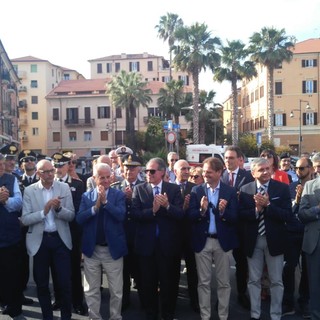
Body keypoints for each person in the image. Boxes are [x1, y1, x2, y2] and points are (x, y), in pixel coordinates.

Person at [238, 157, 292, 320]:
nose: (266, 172)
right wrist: (256, 209)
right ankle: (255, 314)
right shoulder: (246, 189)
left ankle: (275, 314)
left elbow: (287, 215)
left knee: (276, 281)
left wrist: (268, 206)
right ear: (253, 173)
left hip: (274, 241)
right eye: (261, 169)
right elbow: (241, 215)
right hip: (254, 241)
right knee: (254, 280)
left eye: (268, 168)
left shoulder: (281, 189)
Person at [21, 159, 74, 320]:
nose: (51, 174)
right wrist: (44, 212)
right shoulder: (30, 191)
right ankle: (47, 317)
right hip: (40, 242)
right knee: (42, 285)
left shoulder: (63, 187)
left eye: (52, 170)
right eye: (46, 172)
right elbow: (25, 219)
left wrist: (58, 208)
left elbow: (71, 216)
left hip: (60, 240)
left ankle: (66, 316)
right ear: (38, 174)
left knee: (64, 283)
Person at [131, 157, 184, 320]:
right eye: (146, 171)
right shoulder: (139, 189)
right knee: (148, 284)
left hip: (167, 247)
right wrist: (152, 211)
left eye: (152, 171)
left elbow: (181, 215)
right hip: (146, 247)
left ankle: (168, 314)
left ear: (162, 172)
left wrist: (167, 206)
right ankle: (151, 314)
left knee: (168, 284)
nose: (149, 174)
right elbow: (135, 214)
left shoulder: (173, 190)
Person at [189, 157, 239, 320]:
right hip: (202, 242)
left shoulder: (229, 192)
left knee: (224, 283)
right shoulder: (197, 191)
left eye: (209, 172)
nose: (205, 175)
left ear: (219, 172)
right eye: (203, 172)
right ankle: (205, 316)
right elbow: (190, 216)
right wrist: (202, 210)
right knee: (203, 283)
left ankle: (223, 316)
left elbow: (235, 218)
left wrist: (223, 212)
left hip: (222, 242)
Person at [76, 163, 127, 320]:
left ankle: (115, 317)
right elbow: (79, 219)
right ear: (94, 178)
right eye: (101, 177)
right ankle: (94, 317)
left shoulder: (119, 195)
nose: (105, 181)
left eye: (107, 177)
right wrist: (95, 207)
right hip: (92, 250)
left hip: (112, 251)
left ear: (111, 177)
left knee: (116, 290)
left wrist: (105, 203)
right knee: (91, 289)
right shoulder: (86, 196)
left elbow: (121, 216)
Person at [50, 153, 86, 315]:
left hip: (71, 232)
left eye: (61, 165)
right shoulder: (47, 184)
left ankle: (77, 301)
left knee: (73, 269)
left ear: (67, 167)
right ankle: (58, 299)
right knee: (55, 269)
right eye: (55, 165)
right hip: (53, 232)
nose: (58, 169)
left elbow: (78, 210)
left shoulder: (78, 185)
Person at [221, 146, 254, 310]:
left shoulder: (248, 177)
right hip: (225, 226)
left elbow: (250, 200)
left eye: (231, 158)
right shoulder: (222, 176)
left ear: (239, 159)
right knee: (223, 263)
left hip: (242, 226)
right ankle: (221, 296)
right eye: (226, 158)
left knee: (241, 263)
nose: (228, 161)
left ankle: (241, 293)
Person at [112, 154, 144, 310]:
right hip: (122, 234)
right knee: (122, 271)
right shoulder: (116, 187)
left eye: (132, 168)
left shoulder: (145, 186)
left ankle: (145, 301)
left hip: (139, 234)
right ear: (122, 170)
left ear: (138, 170)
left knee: (141, 270)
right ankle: (124, 301)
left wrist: (133, 198)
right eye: (126, 168)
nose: (129, 171)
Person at [282, 157, 312, 318]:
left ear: (311, 169)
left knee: (307, 269)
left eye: (302, 168)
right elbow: (288, 211)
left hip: (309, 233)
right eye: (297, 169)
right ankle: (288, 301)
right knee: (289, 267)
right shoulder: (291, 187)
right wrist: (297, 200)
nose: (298, 172)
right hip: (292, 232)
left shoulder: (316, 187)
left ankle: (304, 301)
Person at [0, 153, 24, 319]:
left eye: (2, 163)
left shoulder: (12, 179)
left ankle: (15, 309)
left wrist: (6, 200)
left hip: (9, 236)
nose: (2, 166)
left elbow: (19, 203)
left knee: (12, 275)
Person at [174, 159, 199, 313]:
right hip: (174, 235)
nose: (186, 171)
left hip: (190, 234)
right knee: (173, 268)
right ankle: (173, 299)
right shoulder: (169, 188)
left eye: (187, 168)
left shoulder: (195, 189)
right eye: (182, 168)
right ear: (175, 170)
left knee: (192, 269)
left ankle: (195, 300)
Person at [298, 160, 320, 320]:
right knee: (315, 286)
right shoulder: (310, 186)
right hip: (315, 244)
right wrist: (317, 209)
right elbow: (302, 214)